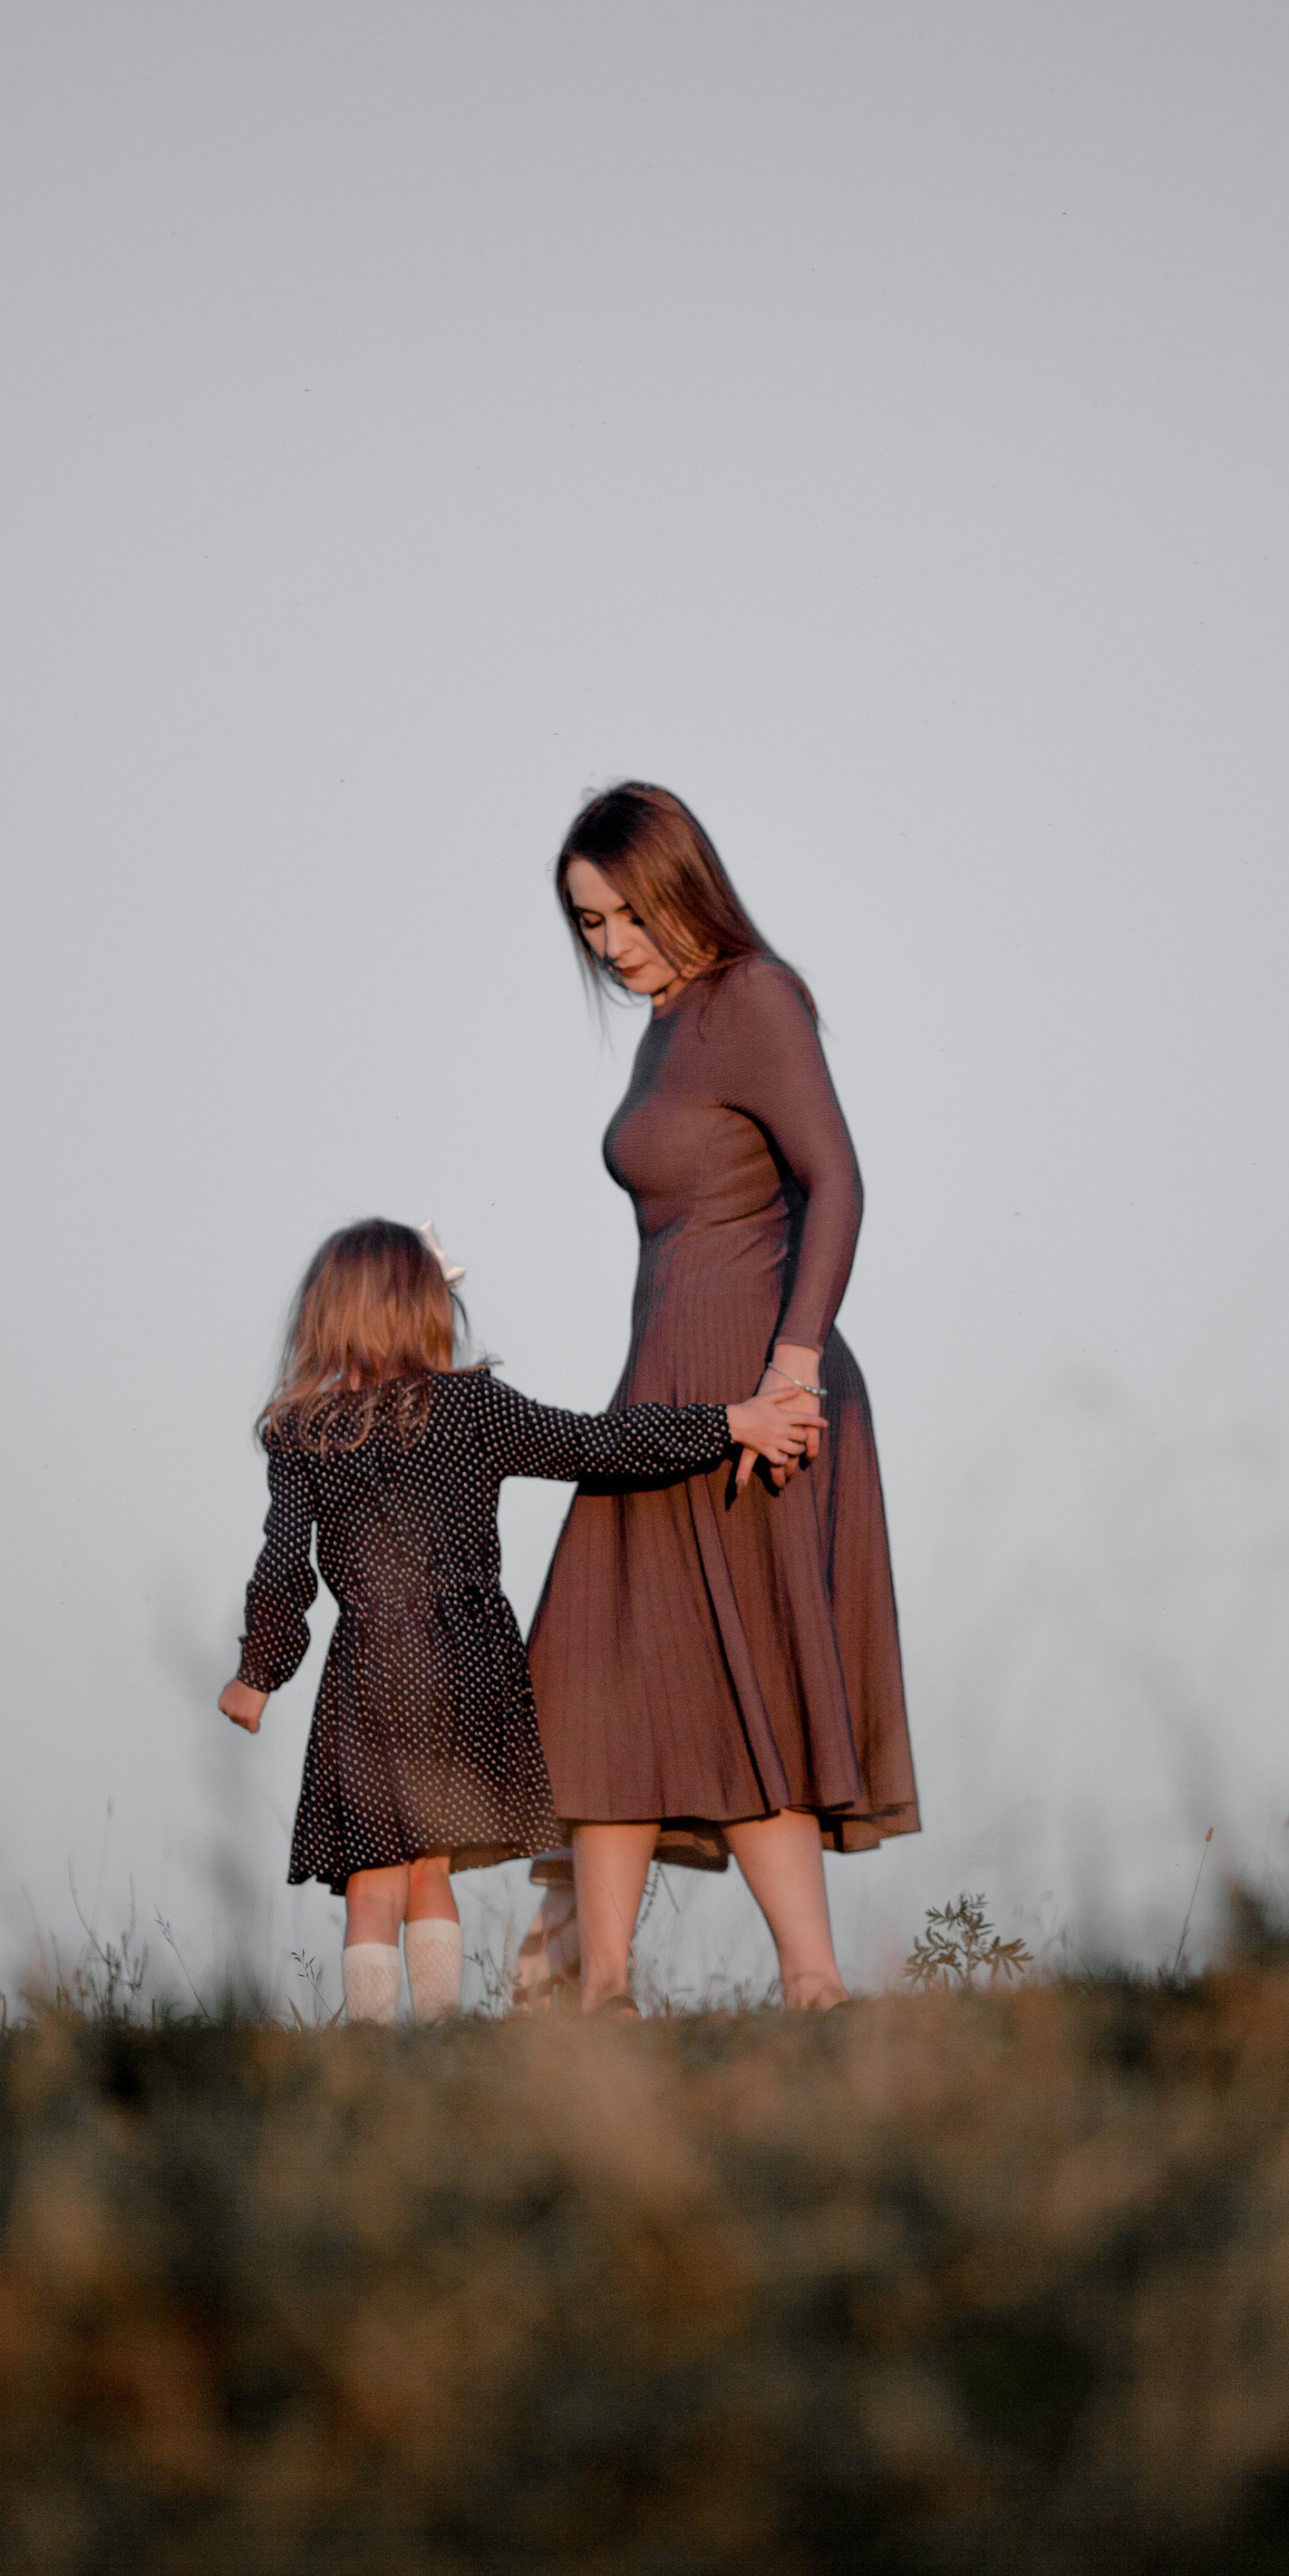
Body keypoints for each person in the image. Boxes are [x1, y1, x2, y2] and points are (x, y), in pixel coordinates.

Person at [526, 782, 918, 2012]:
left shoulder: (755, 997)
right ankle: (601, 1993)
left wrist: (793, 1365)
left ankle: (810, 1982)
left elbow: (838, 1184)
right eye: (589, 925)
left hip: (761, 1390)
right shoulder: (669, 1021)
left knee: (752, 1668)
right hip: (666, 1390)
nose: (612, 946)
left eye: (629, 916)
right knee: (604, 1664)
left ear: (683, 887)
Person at [218, 1216, 816, 2024]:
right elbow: (600, 1443)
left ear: (324, 1314)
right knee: (428, 1868)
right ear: (425, 1306)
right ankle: (434, 2035)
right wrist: (730, 1424)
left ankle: (369, 2048)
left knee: (372, 1878)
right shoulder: (472, 1406)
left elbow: (283, 1565)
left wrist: (258, 1674)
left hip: (369, 1668)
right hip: (466, 1660)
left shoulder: (301, 1432)